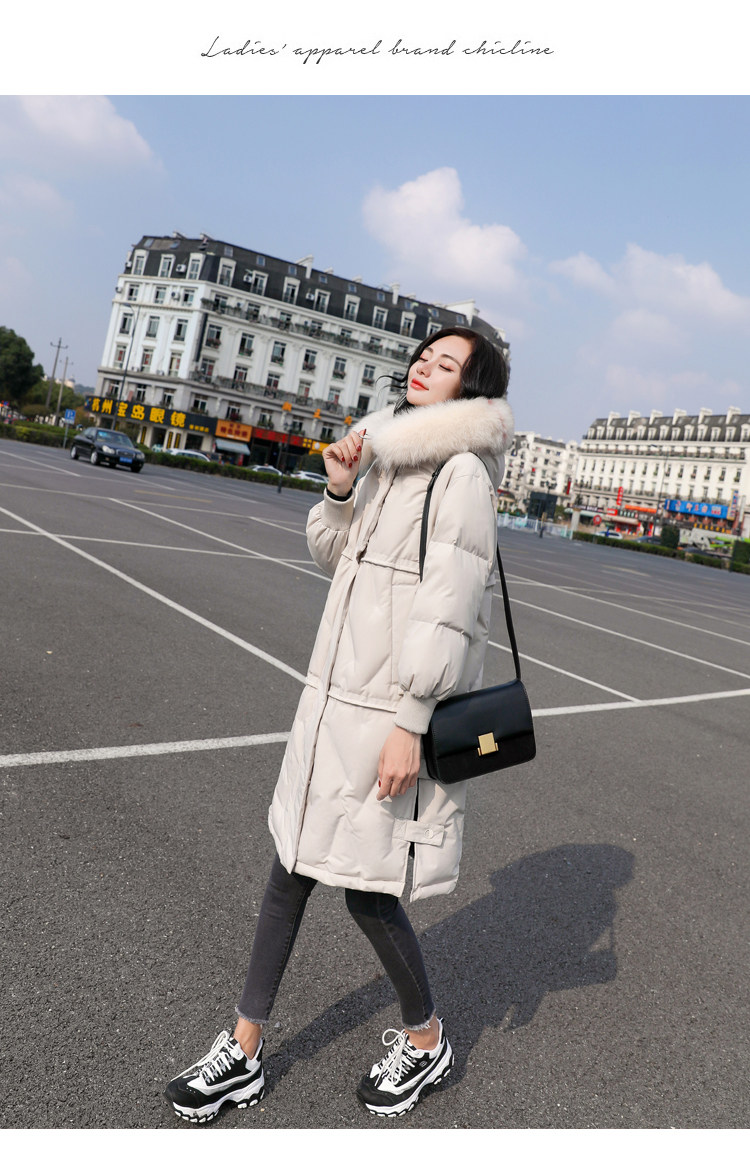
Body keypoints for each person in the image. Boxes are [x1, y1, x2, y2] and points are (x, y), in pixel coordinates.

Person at [165, 326, 515, 1123]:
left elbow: (449, 612)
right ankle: (243, 1047)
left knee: (368, 890)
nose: (425, 365)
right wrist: (338, 489)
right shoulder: (389, 453)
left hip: (386, 716)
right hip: (332, 703)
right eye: (424, 354)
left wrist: (410, 724)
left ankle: (426, 1039)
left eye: (447, 363)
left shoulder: (460, 471)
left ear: (471, 388)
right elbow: (337, 557)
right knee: (291, 861)